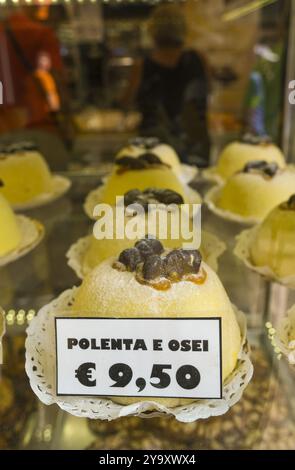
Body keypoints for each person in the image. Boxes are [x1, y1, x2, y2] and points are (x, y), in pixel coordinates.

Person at [122, 5, 211, 166]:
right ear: (182, 29)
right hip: (194, 146)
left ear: (152, 31)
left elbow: (126, 102)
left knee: (154, 189)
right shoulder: (198, 59)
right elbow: (208, 92)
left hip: (155, 151)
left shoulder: (142, 66)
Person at [0, 7, 64, 132]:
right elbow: (55, 73)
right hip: (35, 112)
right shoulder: (42, 33)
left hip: (5, 113)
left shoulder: (3, 29)